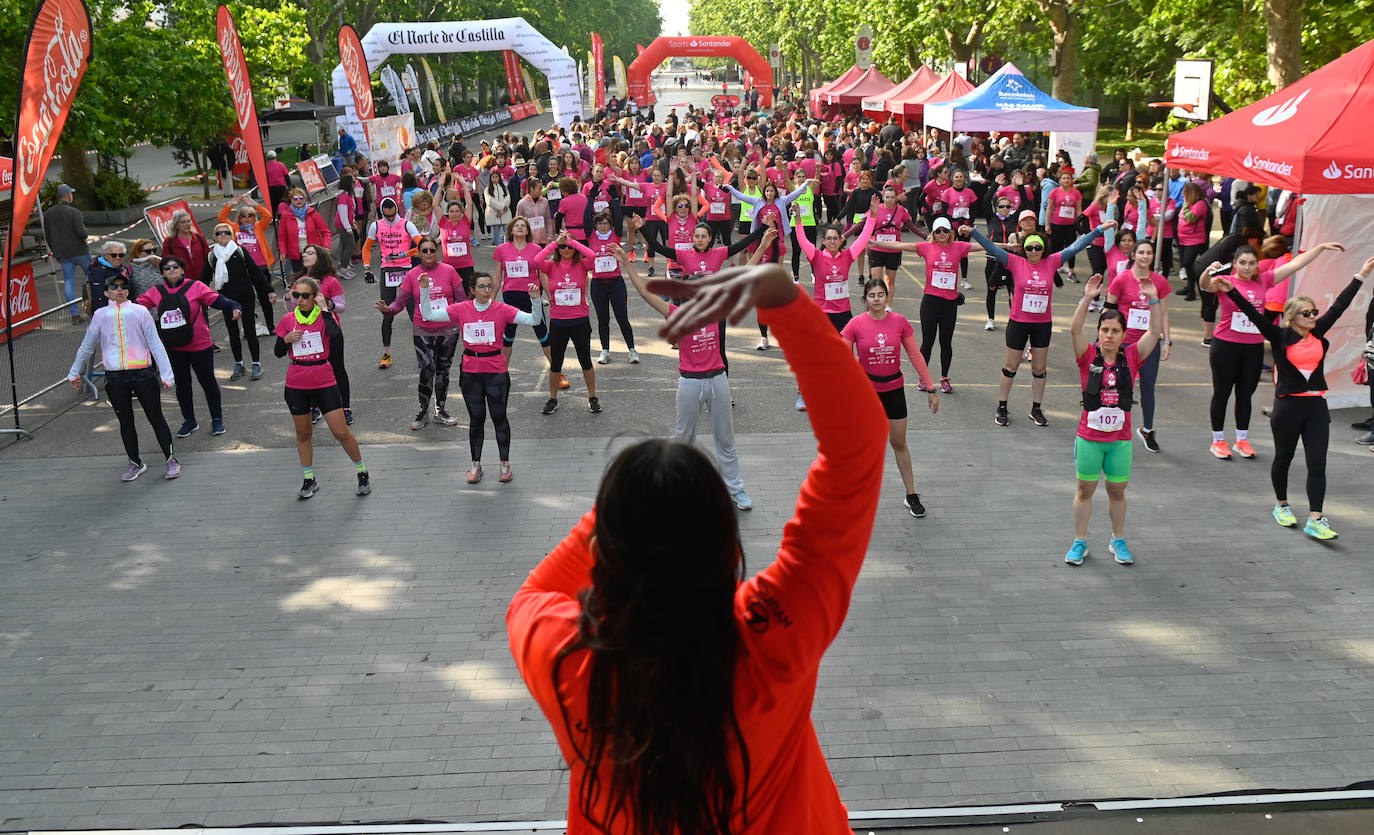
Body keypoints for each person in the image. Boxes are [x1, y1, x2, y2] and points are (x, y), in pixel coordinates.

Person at [507, 259, 889, 834]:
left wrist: (629, 506)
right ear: (725, 545)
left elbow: (531, 596)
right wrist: (785, 303)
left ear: (607, 553)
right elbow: (860, 440)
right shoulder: (776, 636)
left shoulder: (566, 658)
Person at [1217, 254, 1372, 540]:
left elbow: (1340, 305)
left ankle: (1316, 517)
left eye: (1314, 312)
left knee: (1317, 463)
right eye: (1307, 313)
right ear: (1293, 316)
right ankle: (1282, 505)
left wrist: (1361, 274)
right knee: (1284, 458)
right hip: (1287, 407)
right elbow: (1253, 315)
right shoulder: (1279, 336)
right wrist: (1232, 292)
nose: (1313, 316)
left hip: (1316, 407)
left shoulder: (1319, 333)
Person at [615, 242, 762, 511]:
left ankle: (736, 489)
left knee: (726, 440)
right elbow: (646, 293)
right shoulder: (676, 314)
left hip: (718, 379)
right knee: (683, 440)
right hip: (690, 383)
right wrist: (627, 264)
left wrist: (762, 244)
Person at [1198, 242, 1344, 459]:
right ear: (1235, 264)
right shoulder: (1226, 281)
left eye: (1251, 263)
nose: (1247, 268)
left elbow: (1295, 265)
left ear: (1257, 265)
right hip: (1225, 346)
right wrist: (1209, 270)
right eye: (1243, 263)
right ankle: (1218, 440)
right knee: (1222, 393)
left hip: (1253, 348)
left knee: (1245, 395)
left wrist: (1320, 247)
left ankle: (1241, 439)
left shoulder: (1264, 280)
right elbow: (1205, 285)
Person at [966, 219, 1117, 427]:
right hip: (1018, 322)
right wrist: (973, 232)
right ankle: (1002, 406)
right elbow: (990, 247)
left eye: (1038, 247)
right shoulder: (1015, 262)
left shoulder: (1052, 261)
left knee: (1039, 368)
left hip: (1042, 324)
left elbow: (1076, 246)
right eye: (1030, 247)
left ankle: (1036, 408)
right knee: (1010, 366)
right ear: (1024, 249)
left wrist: (1099, 230)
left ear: (1043, 248)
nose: (1034, 251)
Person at [1064, 272, 1162, 567]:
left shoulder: (1131, 357)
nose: (1108, 335)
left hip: (1119, 442)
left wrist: (1154, 300)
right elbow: (1074, 329)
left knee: (1117, 491)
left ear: (1123, 334)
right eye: (1104, 330)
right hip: (1090, 439)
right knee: (1085, 490)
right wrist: (1087, 298)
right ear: (1099, 333)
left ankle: (1117, 539)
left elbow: (1154, 333)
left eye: (1115, 331)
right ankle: (1079, 541)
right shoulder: (1087, 355)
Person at [419, 271, 545, 484]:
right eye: (482, 287)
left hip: (495, 371)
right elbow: (428, 315)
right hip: (471, 372)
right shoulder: (462, 309)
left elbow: (534, 320)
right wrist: (424, 289)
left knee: (499, 417)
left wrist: (535, 300)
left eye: (490, 286)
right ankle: (475, 464)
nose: (487, 290)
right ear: (473, 290)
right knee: (476, 419)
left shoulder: (501, 309)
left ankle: (504, 463)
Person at [66, 274, 180, 481]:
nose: (119, 289)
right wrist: (74, 372)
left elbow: (155, 343)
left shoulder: (140, 311)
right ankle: (135, 463)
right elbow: (87, 345)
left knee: (156, 417)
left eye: (123, 286)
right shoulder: (100, 315)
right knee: (125, 421)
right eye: (114, 286)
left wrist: (166, 374)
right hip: (115, 376)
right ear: (106, 291)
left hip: (143, 373)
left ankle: (171, 459)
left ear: (128, 290)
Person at [842, 277, 940, 517]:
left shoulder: (899, 322)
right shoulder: (855, 325)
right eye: (872, 295)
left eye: (880, 295)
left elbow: (916, 354)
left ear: (887, 297)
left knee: (898, 443)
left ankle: (911, 494)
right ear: (865, 299)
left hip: (894, 391)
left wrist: (930, 387)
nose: (876, 299)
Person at [275, 276, 371, 499]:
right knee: (303, 433)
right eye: (296, 295)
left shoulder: (325, 318)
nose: (299, 300)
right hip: (296, 383)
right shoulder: (289, 319)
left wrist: (324, 309)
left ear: (315, 297)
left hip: (323, 381)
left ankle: (362, 472)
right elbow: (278, 352)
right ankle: (309, 478)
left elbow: (336, 337)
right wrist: (287, 339)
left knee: (340, 432)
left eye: (305, 296)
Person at [136, 256, 242, 438]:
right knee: (183, 385)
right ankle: (189, 421)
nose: (171, 270)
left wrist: (234, 305)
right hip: (174, 347)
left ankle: (217, 419)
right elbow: (136, 307)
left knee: (207, 382)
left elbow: (217, 300)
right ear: (162, 272)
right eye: (166, 268)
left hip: (200, 345)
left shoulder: (196, 287)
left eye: (175, 266)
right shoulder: (156, 291)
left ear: (182, 269)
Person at [375, 235, 464, 430]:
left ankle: (440, 409)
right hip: (423, 329)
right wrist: (388, 310)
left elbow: (462, 300)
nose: (429, 253)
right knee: (426, 368)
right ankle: (423, 410)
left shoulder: (449, 271)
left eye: (432, 250)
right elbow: (401, 302)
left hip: (448, 330)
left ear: (437, 251)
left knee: (443, 369)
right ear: (419, 253)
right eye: (425, 250)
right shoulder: (412, 274)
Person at [885, 217, 971, 392]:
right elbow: (899, 246)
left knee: (946, 342)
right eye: (938, 231)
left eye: (945, 231)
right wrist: (872, 242)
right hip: (930, 302)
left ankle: (944, 378)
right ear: (933, 232)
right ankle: (923, 377)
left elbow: (986, 247)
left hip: (950, 304)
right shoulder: (926, 247)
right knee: (927, 342)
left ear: (951, 233)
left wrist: (1008, 246)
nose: (941, 234)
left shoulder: (959, 247)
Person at [1105, 238, 1172, 453]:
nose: (1145, 256)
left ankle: (1148, 430)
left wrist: (1166, 340)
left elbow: (1163, 314)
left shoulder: (1159, 281)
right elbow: (1107, 311)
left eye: (1149, 253)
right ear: (1133, 255)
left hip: (1150, 343)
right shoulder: (1122, 280)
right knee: (1121, 387)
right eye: (1141, 252)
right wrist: (1105, 339)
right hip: (1124, 344)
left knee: (1148, 387)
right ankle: (1115, 429)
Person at [533, 231, 600, 415]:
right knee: (556, 363)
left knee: (585, 360)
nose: (566, 249)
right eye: (563, 246)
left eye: (569, 246)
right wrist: (555, 243)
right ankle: (553, 398)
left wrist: (572, 241)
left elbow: (593, 255)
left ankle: (592, 397)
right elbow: (536, 261)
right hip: (559, 322)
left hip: (580, 320)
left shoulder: (582, 264)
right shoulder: (551, 266)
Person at [206, 222, 275, 382]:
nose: (223, 235)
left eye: (226, 232)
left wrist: (269, 290)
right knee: (233, 333)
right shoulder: (212, 256)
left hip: (246, 297)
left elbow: (256, 273)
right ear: (215, 237)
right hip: (226, 301)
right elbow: (203, 281)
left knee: (250, 331)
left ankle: (256, 364)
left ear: (231, 236)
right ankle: (239, 364)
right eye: (219, 233)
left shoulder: (239, 251)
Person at [361, 197, 421, 369]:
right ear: (382, 213)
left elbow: (422, 246)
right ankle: (386, 354)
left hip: (406, 271)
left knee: (413, 314)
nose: (390, 219)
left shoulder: (407, 224)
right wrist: (367, 268)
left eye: (393, 215)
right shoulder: (376, 226)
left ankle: (422, 352)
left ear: (396, 210)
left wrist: (404, 254)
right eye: (387, 216)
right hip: (387, 272)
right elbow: (366, 247)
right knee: (387, 314)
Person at [303, 245, 353, 425]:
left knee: (337, 368)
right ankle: (313, 407)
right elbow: (292, 309)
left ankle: (345, 407)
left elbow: (342, 306)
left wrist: (329, 305)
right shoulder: (301, 281)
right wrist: (288, 299)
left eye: (310, 253)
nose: (305, 255)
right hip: (308, 334)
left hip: (330, 331)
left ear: (319, 258)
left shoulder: (330, 281)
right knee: (312, 371)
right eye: (305, 253)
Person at [46, 184, 90, 322]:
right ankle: (93, 304)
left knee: (68, 281)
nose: (72, 195)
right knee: (92, 275)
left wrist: (55, 251)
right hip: (80, 250)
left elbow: (48, 235)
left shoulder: (49, 213)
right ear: (67, 196)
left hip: (63, 253)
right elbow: (82, 234)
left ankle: (74, 314)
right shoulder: (74, 212)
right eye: (71, 193)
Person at [277, 188, 331, 278]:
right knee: (302, 282)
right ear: (291, 200)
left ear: (304, 199)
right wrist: (282, 251)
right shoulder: (285, 216)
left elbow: (326, 231)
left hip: (314, 254)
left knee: (318, 279)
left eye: (301, 198)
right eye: (295, 198)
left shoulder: (312, 213)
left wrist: (326, 246)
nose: (298, 200)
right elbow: (282, 237)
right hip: (296, 256)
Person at [161, 211, 210, 286]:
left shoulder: (199, 238)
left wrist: (208, 274)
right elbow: (166, 262)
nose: (187, 224)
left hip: (202, 279)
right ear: (176, 225)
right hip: (181, 281)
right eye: (183, 222)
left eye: (188, 221)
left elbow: (207, 257)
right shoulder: (169, 242)